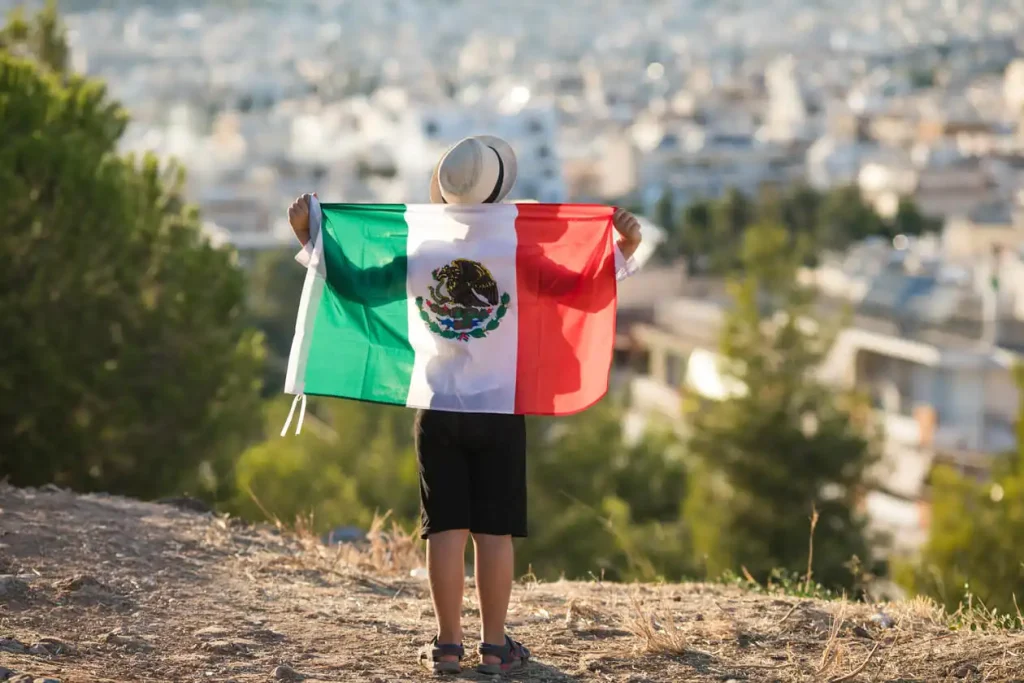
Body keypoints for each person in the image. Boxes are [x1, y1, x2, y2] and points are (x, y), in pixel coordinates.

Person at [286, 135, 642, 675]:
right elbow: (578, 288)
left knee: (444, 529)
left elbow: (359, 286)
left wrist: (310, 235)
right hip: (499, 408)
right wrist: (624, 249)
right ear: (499, 191)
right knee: (493, 533)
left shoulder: (425, 248)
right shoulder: (518, 249)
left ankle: (448, 645)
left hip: (438, 409)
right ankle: (495, 648)